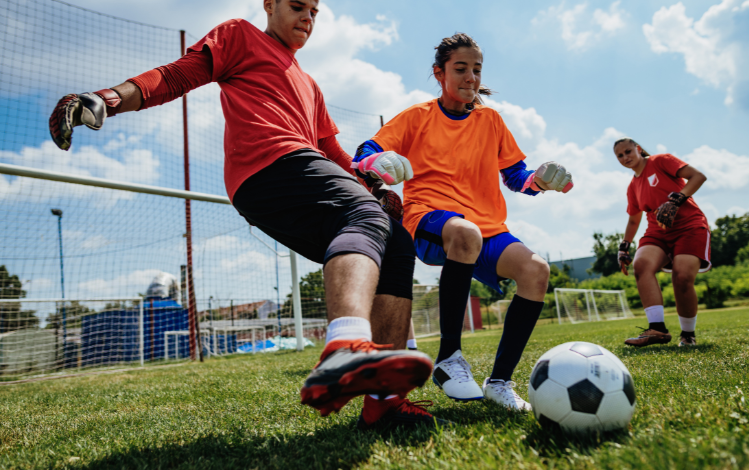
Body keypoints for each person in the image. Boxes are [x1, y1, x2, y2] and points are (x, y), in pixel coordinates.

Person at [48, 0, 446, 429]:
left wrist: (366, 175)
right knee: (365, 215)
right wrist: (107, 98)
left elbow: (331, 153)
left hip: (302, 167)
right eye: (297, 6)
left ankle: (383, 401)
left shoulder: (310, 84)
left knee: (397, 242)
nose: (307, 18)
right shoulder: (240, 35)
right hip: (266, 166)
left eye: (314, 11)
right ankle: (346, 344)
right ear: (269, 5)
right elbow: (176, 75)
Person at [352, 33, 573, 411]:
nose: (470, 77)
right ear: (439, 73)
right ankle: (449, 358)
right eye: (460, 69)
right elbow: (367, 151)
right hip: (429, 219)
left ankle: (500, 382)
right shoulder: (417, 117)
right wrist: (373, 164)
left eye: (476, 69)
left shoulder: (491, 121)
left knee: (536, 271)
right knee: (465, 234)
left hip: (486, 227)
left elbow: (516, 176)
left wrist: (540, 180)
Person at [614, 138, 709, 347]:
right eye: (619, 156)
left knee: (681, 276)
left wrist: (676, 200)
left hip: (689, 226)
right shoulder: (633, 186)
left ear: (638, 149)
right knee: (641, 264)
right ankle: (657, 329)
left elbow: (698, 176)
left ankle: (687, 334)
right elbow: (633, 219)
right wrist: (624, 246)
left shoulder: (661, 161)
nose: (625, 157)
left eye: (628, 151)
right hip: (657, 232)